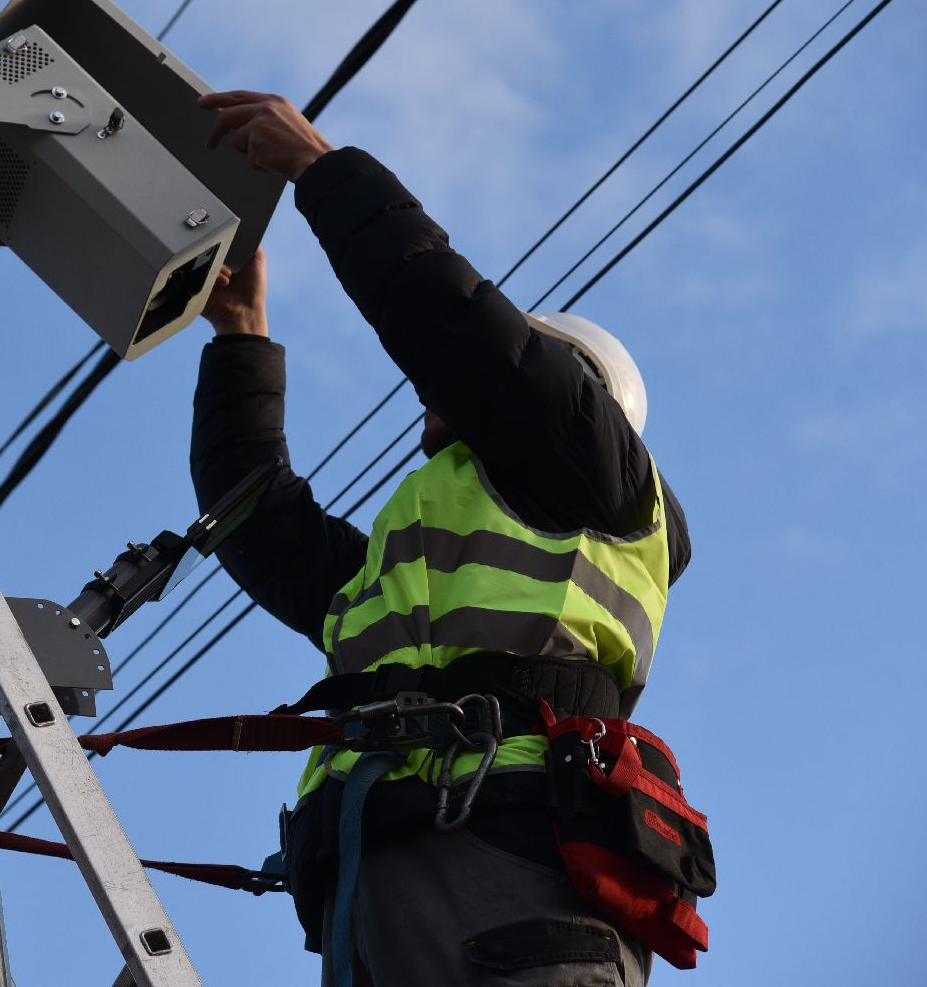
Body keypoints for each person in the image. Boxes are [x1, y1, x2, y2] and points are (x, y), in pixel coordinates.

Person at [189, 91, 694, 986]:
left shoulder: (594, 469)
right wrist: (240, 340)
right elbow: (258, 525)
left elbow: (456, 329)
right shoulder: (420, 563)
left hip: (516, 873)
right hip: (383, 889)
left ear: (576, 391)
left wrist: (323, 169)